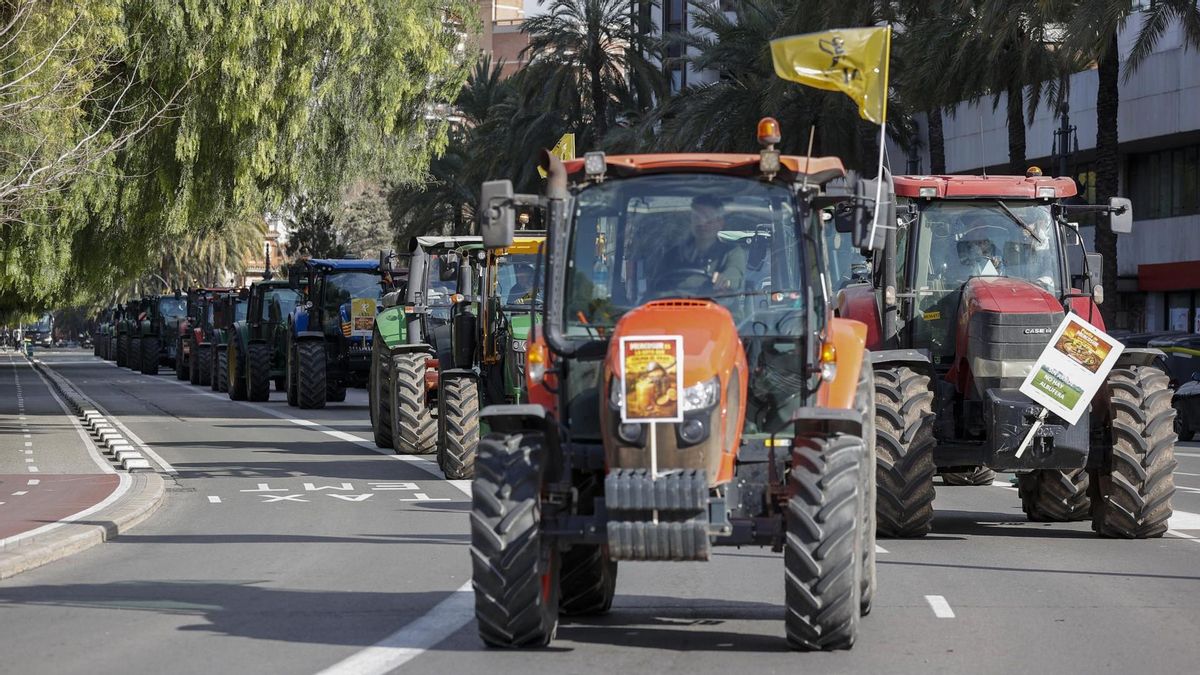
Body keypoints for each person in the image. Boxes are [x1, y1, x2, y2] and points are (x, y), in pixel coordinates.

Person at [652, 195, 747, 295]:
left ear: (720, 223)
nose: (702, 222)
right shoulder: (672, 255)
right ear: (691, 221)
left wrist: (725, 279)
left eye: (708, 217)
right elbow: (653, 290)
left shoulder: (732, 252)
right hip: (675, 308)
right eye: (697, 217)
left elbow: (735, 274)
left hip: (721, 309)